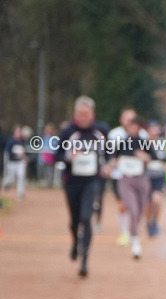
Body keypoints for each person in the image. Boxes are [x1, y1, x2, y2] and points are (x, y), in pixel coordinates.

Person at [56, 96, 107, 278]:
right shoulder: (68, 131)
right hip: (72, 181)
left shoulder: (101, 131)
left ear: (92, 114)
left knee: (86, 218)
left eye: (86, 113)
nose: (83, 117)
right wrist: (69, 157)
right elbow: (57, 155)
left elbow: (109, 154)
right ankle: (74, 242)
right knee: (75, 220)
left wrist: (108, 166)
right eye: (80, 113)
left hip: (92, 181)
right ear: (75, 114)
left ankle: (84, 259)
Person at [108, 116, 152, 259]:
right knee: (132, 209)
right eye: (131, 126)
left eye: (136, 126)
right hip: (126, 180)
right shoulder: (122, 143)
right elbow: (114, 159)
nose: (133, 129)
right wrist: (111, 166)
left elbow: (154, 158)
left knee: (139, 211)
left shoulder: (145, 142)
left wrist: (145, 157)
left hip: (141, 179)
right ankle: (135, 242)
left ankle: (133, 232)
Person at [144, 121, 166, 236]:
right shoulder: (143, 143)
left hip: (159, 176)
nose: (154, 131)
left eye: (156, 129)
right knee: (148, 203)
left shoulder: (163, 143)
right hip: (146, 176)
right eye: (152, 129)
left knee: (156, 201)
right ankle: (148, 223)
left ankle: (155, 223)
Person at [3, 125, 28, 200]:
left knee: (21, 176)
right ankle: (6, 184)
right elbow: (9, 152)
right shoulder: (10, 141)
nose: (19, 133)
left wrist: (25, 157)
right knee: (11, 178)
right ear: (14, 132)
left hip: (20, 162)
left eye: (20, 132)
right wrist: (16, 154)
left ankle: (20, 193)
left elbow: (25, 151)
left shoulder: (22, 141)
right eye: (17, 132)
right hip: (12, 162)